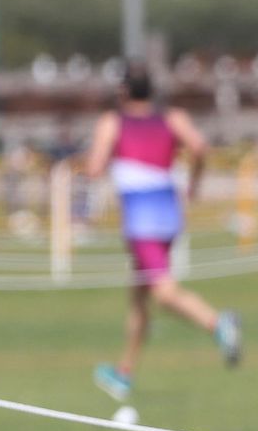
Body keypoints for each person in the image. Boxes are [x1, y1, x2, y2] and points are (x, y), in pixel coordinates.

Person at [88, 63, 242, 403]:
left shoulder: (113, 122)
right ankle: (124, 372)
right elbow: (199, 148)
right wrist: (195, 183)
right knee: (139, 298)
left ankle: (218, 323)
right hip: (169, 211)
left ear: (123, 91)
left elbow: (94, 167)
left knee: (163, 292)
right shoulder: (172, 118)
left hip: (141, 217)